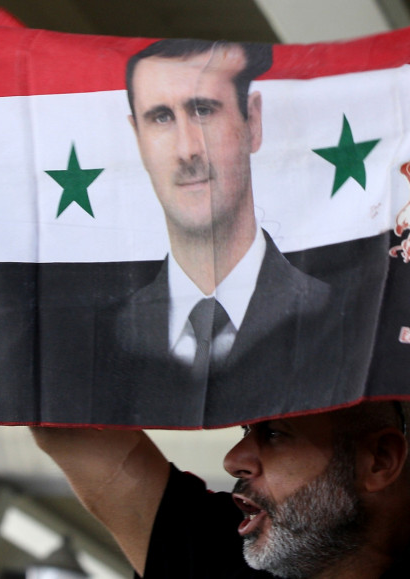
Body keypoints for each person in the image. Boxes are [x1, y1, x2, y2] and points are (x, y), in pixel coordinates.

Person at [33, 288, 410, 578]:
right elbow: (63, 419)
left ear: (380, 459)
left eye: (276, 432)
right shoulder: (214, 559)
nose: (237, 455)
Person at [91, 39, 344, 426]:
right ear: (138, 140)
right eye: (161, 118)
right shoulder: (103, 338)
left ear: (253, 123)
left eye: (203, 111)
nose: (187, 150)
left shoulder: (338, 317)